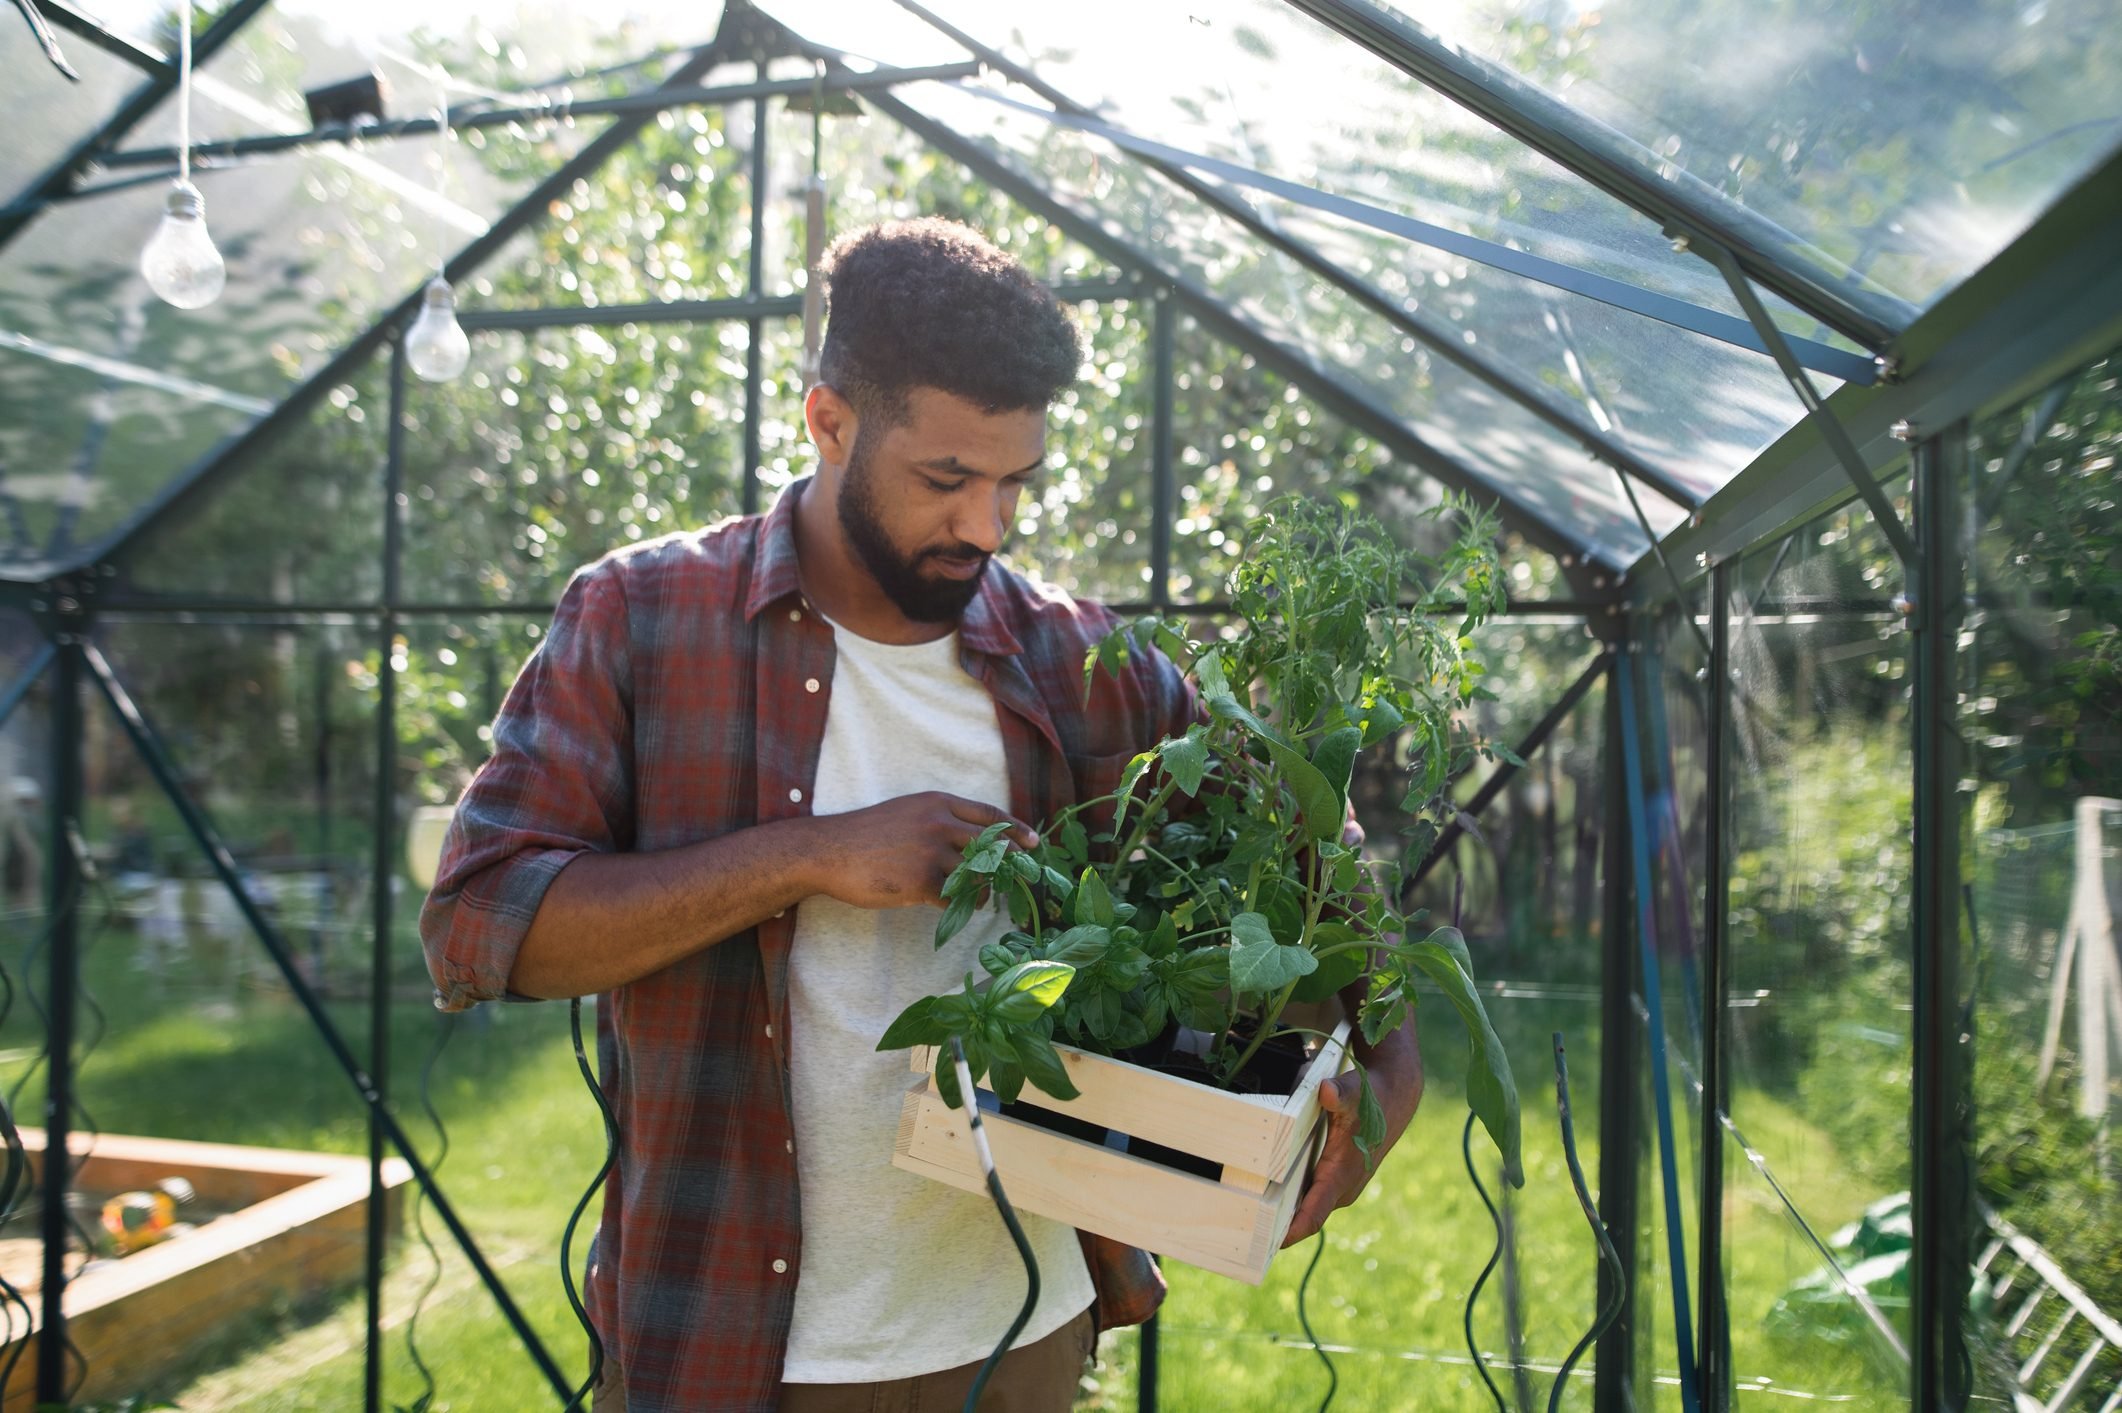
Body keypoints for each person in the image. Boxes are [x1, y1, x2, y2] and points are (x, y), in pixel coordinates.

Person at [419, 218, 1421, 1413]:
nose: (986, 527)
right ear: (828, 421)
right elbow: (483, 924)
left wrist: (1387, 1082)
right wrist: (811, 856)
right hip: (738, 1345)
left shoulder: (1080, 657)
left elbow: (1322, 861)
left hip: (1024, 1327)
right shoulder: (639, 619)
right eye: (946, 480)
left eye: (1013, 483)